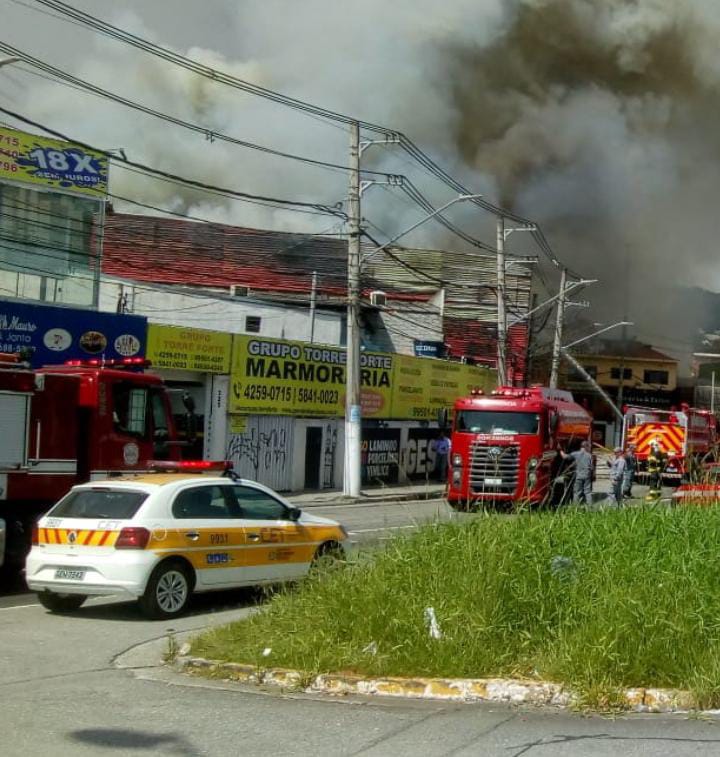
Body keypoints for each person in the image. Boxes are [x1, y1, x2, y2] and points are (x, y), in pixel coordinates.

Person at [561, 441, 594, 505]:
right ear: (586, 447)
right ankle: (590, 508)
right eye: (588, 447)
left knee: (577, 492)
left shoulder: (576, 454)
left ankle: (575, 508)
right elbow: (591, 467)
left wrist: (560, 450)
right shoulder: (589, 455)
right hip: (587, 476)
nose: (589, 448)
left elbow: (565, 457)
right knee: (588, 492)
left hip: (579, 476)